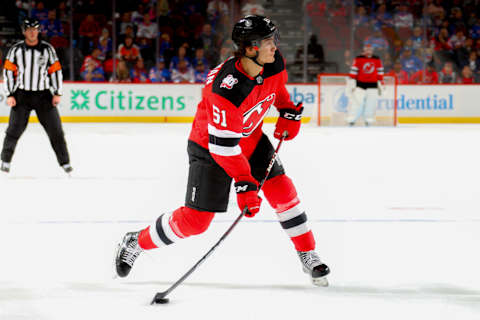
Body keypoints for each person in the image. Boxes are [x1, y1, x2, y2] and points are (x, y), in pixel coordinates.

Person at [114, 15, 330, 286]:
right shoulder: (227, 89)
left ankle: (307, 252)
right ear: (251, 48)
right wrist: (244, 184)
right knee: (196, 222)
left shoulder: (273, 62)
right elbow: (223, 148)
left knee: (282, 189)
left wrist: (286, 109)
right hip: (211, 147)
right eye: (267, 41)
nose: (274, 46)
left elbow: (277, 89)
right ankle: (137, 241)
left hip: (249, 140)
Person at [1, 18, 72, 174]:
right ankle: (5, 161)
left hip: (44, 96)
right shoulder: (16, 50)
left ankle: (65, 163)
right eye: (29, 29)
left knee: (56, 131)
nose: (32, 32)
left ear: (38, 31)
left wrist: (57, 93)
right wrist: (10, 94)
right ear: (24, 32)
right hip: (22, 95)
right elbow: (7, 73)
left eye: (35, 29)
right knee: (13, 130)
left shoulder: (48, 49)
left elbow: (56, 71)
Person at [346, 44, 385, 126]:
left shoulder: (376, 59)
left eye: (370, 49)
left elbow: (380, 71)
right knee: (356, 102)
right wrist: (351, 82)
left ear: (372, 50)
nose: (368, 51)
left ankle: (368, 119)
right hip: (360, 84)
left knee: (371, 103)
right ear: (364, 50)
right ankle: (352, 119)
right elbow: (353, 71)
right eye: (367, 49)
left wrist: (381, 82)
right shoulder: (358, 58)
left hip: (373, 85)